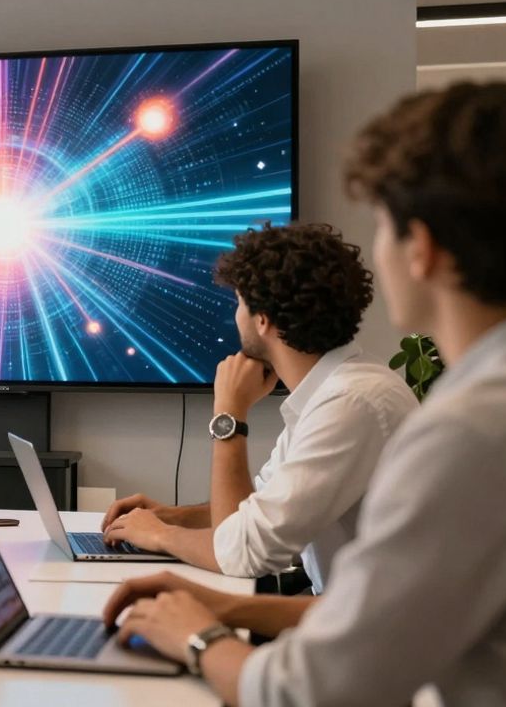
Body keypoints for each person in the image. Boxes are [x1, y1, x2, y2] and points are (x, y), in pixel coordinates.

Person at [103, 81, 506, 706]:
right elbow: (379, 619)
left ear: (421, 249)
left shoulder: (466, 430)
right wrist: (213, 595)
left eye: (383, 226)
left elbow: (306, 686)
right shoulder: (499, 404)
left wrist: (197, 636)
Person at [100, 223, 417, 593]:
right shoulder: (332, 393)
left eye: (239, 302)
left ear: (262, 319)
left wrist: (228, 415)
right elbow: (257, 511)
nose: (236, 315)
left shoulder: (350, 403)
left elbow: (242, 554)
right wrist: (170, 517)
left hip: (363, 624)